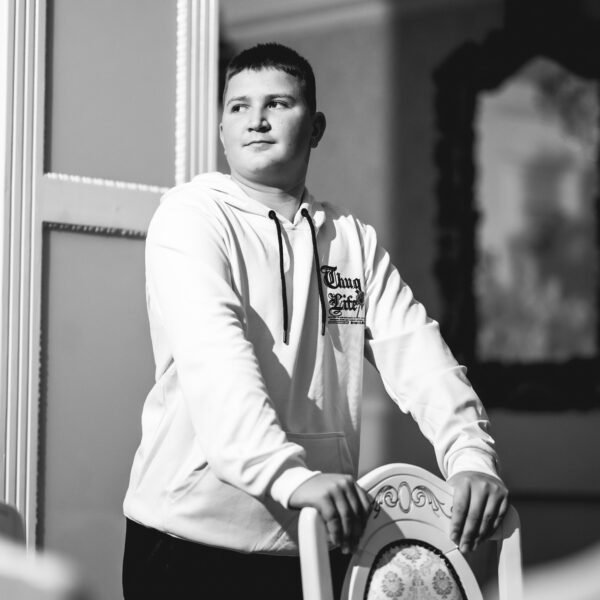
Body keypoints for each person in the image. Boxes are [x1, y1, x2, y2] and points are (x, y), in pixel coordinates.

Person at [122, 42, 508, 599]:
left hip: (317, 539)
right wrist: (288, 476)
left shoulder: (351, 239)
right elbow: (216, 360)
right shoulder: (189, 218)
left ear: (316, 127)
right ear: (222, 129)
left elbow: (418, 351)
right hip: (188, 539)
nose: (256, 120)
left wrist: (471, 455)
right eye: (238, 106)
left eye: (277, 103)